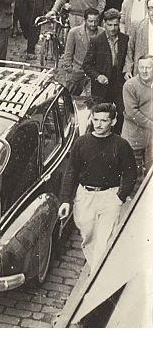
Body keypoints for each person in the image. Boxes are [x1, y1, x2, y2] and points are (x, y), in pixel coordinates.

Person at [58, 102, 136, 271]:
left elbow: (130, 174)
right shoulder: (81, 143)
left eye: (104, 120)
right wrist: (65, 200)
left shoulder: (121, 145)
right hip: (85, 197)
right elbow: (71, 172)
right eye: (95, 120)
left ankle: (96, 276)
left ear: (113, 122)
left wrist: (120, 197)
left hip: (109, 197)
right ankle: (96, 269)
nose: (99, 124)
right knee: (88, 236)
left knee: (104, 240)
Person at [83, 9, 129, 132]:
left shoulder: (125, 39)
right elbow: (86, 65)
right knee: (100, 114)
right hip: (101, 86)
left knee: (122, 111)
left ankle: (115, 136)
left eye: (115, 24)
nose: (113, 28)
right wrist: (98, 77)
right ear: (104, 24)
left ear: (119, 23)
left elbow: (127, 60)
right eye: (109, 25)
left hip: (119, 83)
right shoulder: (96, 40)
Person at [122, 54, 153, 178]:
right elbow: (132, 113)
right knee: (134, 175)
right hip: (134, 139)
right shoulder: (130, 85)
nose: (144, 71)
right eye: (141, 67)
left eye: (148, 67)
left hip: (151, 140)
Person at [62, 9, 105, 95]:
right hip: (77, 73)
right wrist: (71, 71)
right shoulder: (74, 32)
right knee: (70, 100)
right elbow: (68, 54)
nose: (93, 24)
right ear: (85, 20)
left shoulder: (103, 33)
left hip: (95, 75)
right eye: (90, 21)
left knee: (91, 102)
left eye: (96, 21)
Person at [125, 0, 153, 77]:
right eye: (150, 8)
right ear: (147, 10)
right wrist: (128, 69)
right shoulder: (137, 26)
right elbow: (130, 49)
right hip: (142, 70)